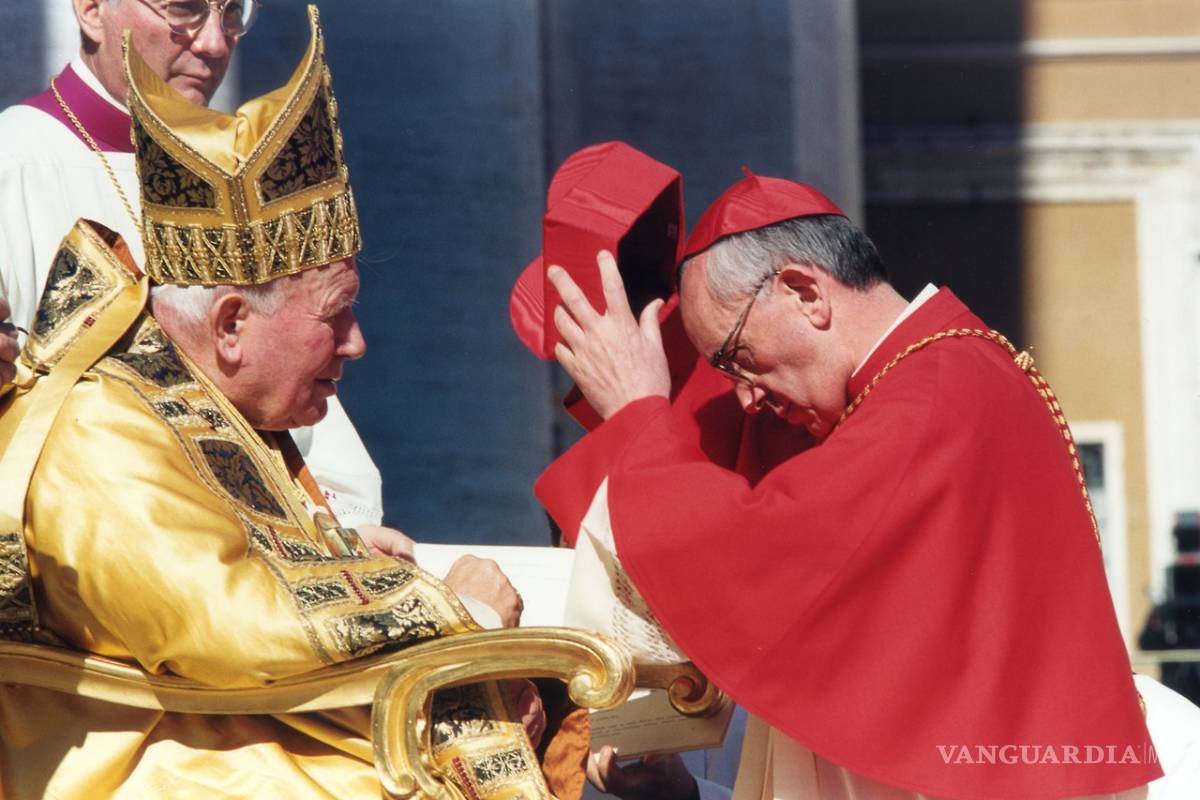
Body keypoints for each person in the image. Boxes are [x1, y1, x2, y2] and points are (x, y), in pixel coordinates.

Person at [0, 10, 552, 798]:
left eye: (237, 12)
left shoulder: (205, 407)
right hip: (167, 760)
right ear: (229, 325)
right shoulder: (103, 431)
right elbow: (227, 620)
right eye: (336, 315)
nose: (358, 345)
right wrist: (458, 616)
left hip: (242, 723)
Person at [541, 171, 1164, 798]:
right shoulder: (944, 375)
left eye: (737, 357)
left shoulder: (931, 398)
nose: (747, 397)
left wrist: (637, 414)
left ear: (805, 292)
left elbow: (762, 552)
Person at [0, 0, 384, 527]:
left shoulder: (239, 166)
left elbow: (305, 423)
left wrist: (343, 533)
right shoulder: (14, 162)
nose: (214, 43)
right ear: (91, 9)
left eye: (232, 13)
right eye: (184, 8)